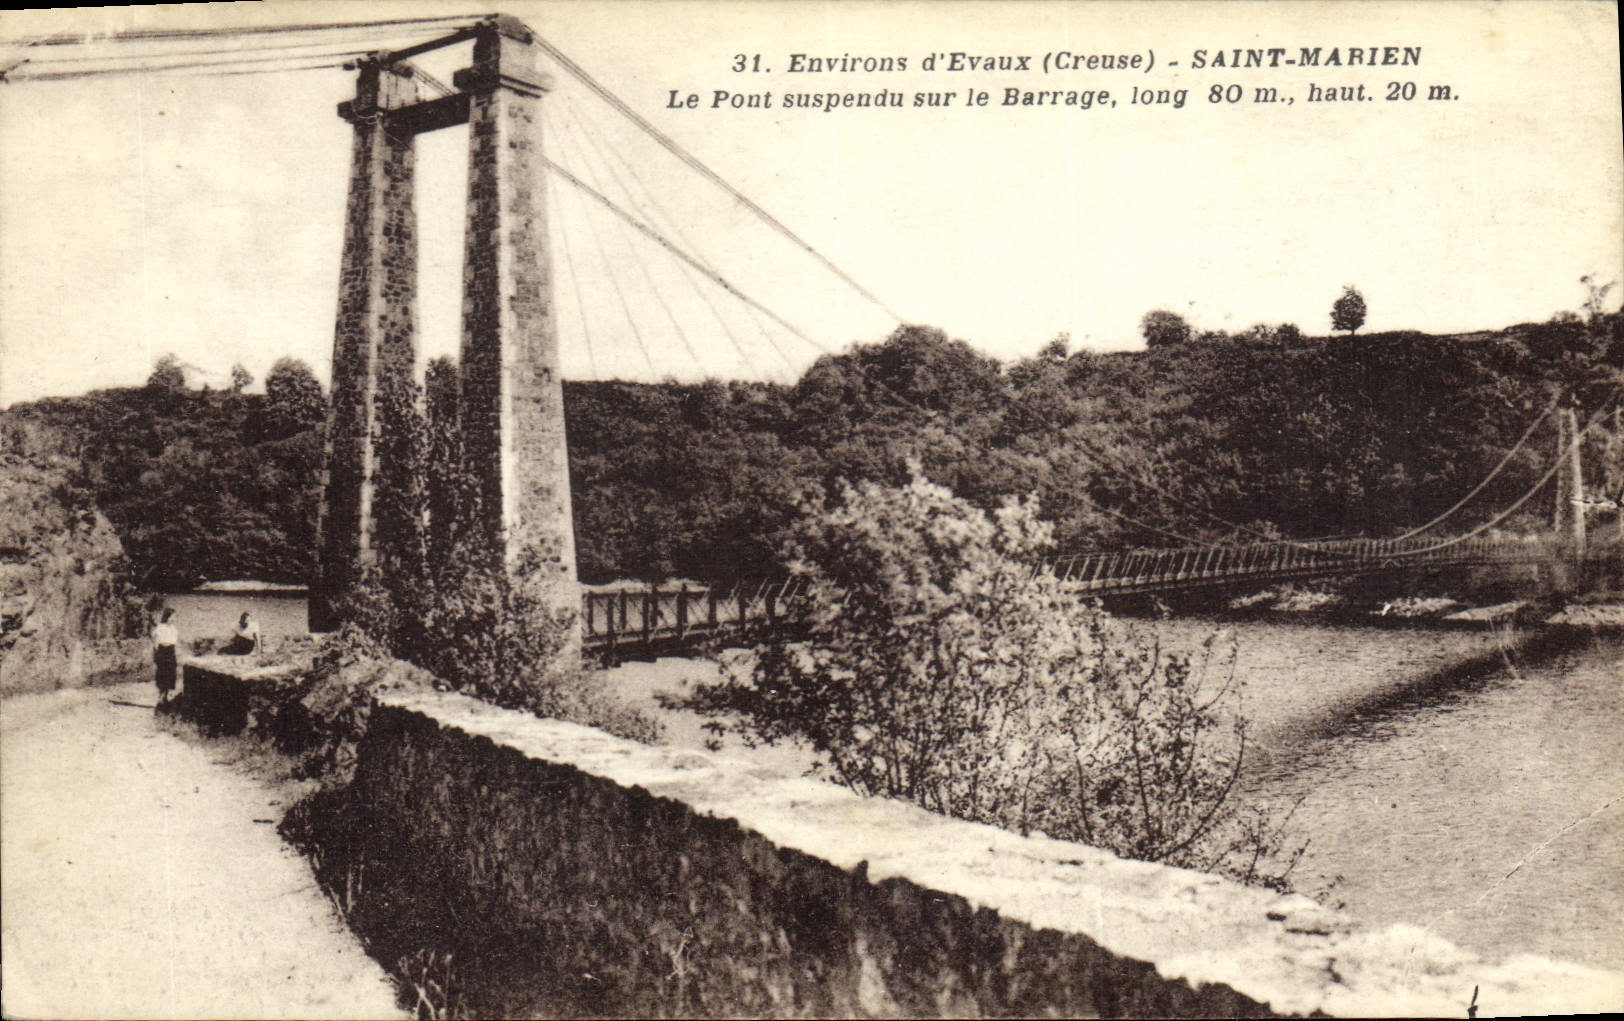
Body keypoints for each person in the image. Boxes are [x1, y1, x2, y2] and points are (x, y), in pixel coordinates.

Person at [152, 608, 179, 707]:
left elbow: (174, 642)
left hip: (171, 651)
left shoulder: (174, 629)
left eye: (175, 617)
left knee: (171, 672)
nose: (174, 619)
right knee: (162, 673)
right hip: (162, 651)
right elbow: (156, 642)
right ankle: (161, 696)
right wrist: (157, 654)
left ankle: (167, 696)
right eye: (173, 616)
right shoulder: (160, 628)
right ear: (168, 617)